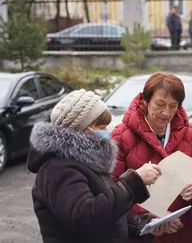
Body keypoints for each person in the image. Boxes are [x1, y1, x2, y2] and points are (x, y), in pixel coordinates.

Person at [27, 89, 169, 242]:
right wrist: (133, 183)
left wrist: (145, 225)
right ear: (79, 128)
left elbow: (111, 214)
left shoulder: (88, 160)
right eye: (100, 127)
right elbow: (85, 217)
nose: (106, 132)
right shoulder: (58, 168)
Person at [111, 72, 192, 243]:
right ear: (145, 101)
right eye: (160, 104)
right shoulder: (121, 135)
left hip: (182, 229)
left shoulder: (189, 133)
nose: (166, 112)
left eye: (173, 106)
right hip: (140, 231)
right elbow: (112, 187)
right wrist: (148, 217)